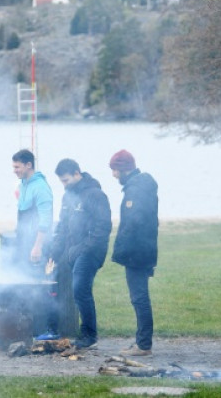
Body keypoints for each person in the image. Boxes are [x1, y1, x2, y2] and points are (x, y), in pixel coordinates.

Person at [48, 159, 112, 349]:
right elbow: (62, 227)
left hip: (91, 250)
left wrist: (83, 248)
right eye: (61, 182)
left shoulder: (95, 195)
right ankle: (61, 329)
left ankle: (89, 334)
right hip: (72, 250)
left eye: (66, 180)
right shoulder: (67, 197)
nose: (64, 185)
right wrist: (54, 251)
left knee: (80, 289)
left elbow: (103, 227)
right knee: (75, 290)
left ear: (77, 173)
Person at [109, 149, 158, 357]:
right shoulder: (140, 185)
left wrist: (122, 250)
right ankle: (141, 341)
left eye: (114, 170)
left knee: (139, 298)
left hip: (137, 252)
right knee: (139, 297)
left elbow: (133, 222)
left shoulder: (136, 189)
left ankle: (144, 345)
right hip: (144, 249)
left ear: (123, 169)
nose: (113, 175)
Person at [11, 148, 55, 340]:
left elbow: (45, 220)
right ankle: (30, 328)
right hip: (24, 242)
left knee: (40, 286)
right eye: (13, 166)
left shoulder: (41, 187)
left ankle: (47, 329)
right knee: (25, 284)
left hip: (37, 245)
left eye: (17, 166)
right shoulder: (24, 184)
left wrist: (37, 246)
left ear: (29, 165)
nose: (14, 170)